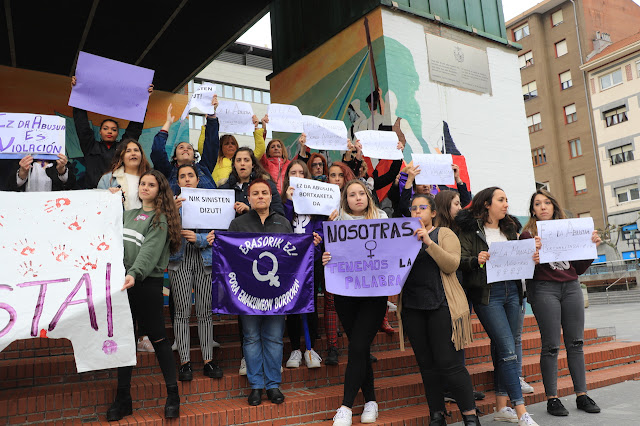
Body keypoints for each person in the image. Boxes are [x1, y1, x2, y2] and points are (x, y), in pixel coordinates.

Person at [208, 178, 320, 406]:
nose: (260, 196)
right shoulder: (237, 224)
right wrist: (216, 241)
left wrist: (311, 243)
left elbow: (293, 258)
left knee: (274, 338)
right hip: (246, 294)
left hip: (277, 294)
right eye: (255, 193)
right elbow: (230, 256)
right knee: (250, 338)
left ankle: (273, 385)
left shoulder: (282, 222)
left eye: (264, 193)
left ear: (271, 197)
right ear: (248, 197)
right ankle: (256, 386)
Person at [456, 187, 539, 426]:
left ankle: (502, 407)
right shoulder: (470, 230)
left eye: (506, 200)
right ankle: (521, 409)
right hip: (487, 295)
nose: (506, 204)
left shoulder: (510, 227)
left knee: (508, 347)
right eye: (501, 200)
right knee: (508, 350)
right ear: (486, 204)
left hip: (513, 292)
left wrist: (530, 257)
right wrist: (476, 260)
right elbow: (460, 260)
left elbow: (519, 258)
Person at [107, 170, 182, 421]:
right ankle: (123, 398)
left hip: (146, 283)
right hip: (125, 283)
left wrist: (135, 273)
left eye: (151, 185)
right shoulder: (126, 214)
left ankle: (173, 395)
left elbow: (149, 251)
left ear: (160, 190)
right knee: (127, 339)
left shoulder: (160, 219)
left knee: (158, 338)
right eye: (142, 184)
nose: (145, 188)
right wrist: (106, 201)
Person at [520, 189, 602, 417]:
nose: (543, 207)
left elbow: (578, 268)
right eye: (537, 204)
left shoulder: (569, 230)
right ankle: (552, 399)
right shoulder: (528, 235)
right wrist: (532, 258)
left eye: (547, 202)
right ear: (532, 210)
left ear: (555, 206)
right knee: (551, 345)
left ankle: (582, 395)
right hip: (544, 289)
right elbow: (523, 270)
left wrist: (591, 247)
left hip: (572, 287)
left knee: (576, 342)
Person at [399, 194, 478, 425]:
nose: (416, 212)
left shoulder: (443, 234)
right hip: (413, 308)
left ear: (433, 213)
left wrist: (428, 242)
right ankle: (437, 414)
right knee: (427, 366)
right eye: (413, 209)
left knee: (449, 364)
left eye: (422, 208)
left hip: (442, 305)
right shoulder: (402, 238)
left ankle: (470, 417)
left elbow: (452, 264)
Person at [323, 179, 388, 426]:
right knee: (361, 349)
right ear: (345, 199)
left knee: (358, 347)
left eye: (362, 193)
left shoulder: (382, 219)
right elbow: (328, 257)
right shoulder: (335, 223)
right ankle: (371, 400)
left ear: (368, 197)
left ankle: (346, 406)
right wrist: (326, 256)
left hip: (374, 295)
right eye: (352, 194)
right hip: (346, 295)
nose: (358, 198)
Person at [169, 164, 223, 382]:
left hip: (204, 260)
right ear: (178, 181)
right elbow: (162, 234)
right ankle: (185, 363)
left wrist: (199, 239)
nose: (187, 179)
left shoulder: (210, 202)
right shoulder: (170, 204)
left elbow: (217, 234)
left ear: (198, 180)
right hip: (179, 260)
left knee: (204, 312)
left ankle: (208, 361)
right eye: (183, 176)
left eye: (191, 175)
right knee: (181, 311)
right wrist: (171, 212)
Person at [281, 160, 336, 369]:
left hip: (311, 260)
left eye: (301, 173)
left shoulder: (317, 201)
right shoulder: (283, 200)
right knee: (292, 303)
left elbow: (321, 227)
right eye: (293, 172)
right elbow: (282, 225)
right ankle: (295, 348)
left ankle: (310, 348)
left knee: (310, 303)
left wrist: (318, 239)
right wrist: (287, 202)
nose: (297, 176)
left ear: (307, 176)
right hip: (290, 261)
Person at [71, 76, 152, 189]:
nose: (109, 131)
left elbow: (134, 129)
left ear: (117, 133)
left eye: (114, 130)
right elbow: (82, 126)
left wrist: (144, 100)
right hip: (92, 193)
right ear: (99, 132)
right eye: (106, 128)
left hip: (117, 192)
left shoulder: (122, 148)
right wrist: (77, 92)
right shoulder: (90, 146)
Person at [151, 103, 217, 195]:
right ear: (175, 157)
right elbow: (157, 151)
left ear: (194, 157)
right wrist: (168, 123)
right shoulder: (167, 172)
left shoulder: (204, 168)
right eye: (181, 148)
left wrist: (211, 116)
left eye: (189, 148)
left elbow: (212, 144)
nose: (185, 149)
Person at [219, 147, 284, 217]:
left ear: (253, 164)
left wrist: (250, 210)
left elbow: (278, 214)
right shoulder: (223, 189)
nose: (242, 163)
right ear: (234, 165)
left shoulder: (267, 186)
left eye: (246, 160)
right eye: (238, 160)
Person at [203, 114, 266, 186]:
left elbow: (260, 150)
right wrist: (207, 126)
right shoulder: (215, 160)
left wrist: (255, 128)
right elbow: (204, 147)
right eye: (226, 144)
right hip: (219, 193)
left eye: (233, 143)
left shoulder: (243, 159)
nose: (230, 146)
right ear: (220, 147)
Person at [97, 139, 151, 211]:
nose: (133, 153)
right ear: (121, 156)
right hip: (120, 221)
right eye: (128, 151)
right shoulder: (108, 179)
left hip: (146, 221)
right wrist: (111, 198)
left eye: (136, 150)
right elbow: (99, 206)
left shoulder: (152, 178)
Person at [7, 153, 75, 192]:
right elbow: (11, 186)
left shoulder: (61, 162)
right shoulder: (20, 161)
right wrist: (23, 172)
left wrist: (61, 170)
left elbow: (71, 185)